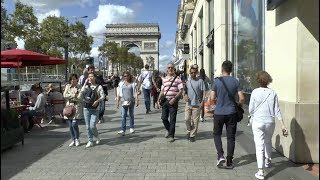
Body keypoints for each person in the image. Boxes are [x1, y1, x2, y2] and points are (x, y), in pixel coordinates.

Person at [248, 71, 288, 180]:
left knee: (259, 146)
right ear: (268, 80)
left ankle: (260, 172)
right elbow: (277, 110)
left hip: (258, 121)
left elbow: (251, 109)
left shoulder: (255, 92)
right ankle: (268, 160)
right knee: (268, 140)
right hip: (270, 122)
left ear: (258, 80)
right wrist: (283, 125)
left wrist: (252, 115)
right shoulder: (273, 93)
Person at [210, 60, 245, 168]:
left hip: (219, 112)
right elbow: (242, 98)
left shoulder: (216, 82)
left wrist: (217, 101)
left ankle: (220, 155)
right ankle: (229, 161)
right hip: (231, 113)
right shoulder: (235, 81)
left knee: (217, 134)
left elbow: (212, 98)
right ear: (231, 70)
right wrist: (239, 105)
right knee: (231, 137)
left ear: (222, 69)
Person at [157, 63, 183, 142]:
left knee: (172, 119)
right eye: (169, 67)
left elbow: (181, 90)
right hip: (165, 101)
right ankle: (169, 130)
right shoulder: (164, 79)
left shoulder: (178, 79)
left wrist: (175, 99)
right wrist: (158, 100)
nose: (170, 69)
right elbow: (162, 90)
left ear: (174, 69)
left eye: (171, 67)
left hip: (173, 101)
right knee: (164, 118)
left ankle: (171, 135)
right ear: (167, 69)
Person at [79, 72, 105, 148]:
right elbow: (81, 93)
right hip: (86, 108)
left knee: (92, 126)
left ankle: (97, 136)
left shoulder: (99, 87)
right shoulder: (86, 87)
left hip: (95, 109)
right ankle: (90, 141)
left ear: (95, 78)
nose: (90, 78)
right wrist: (85, 83)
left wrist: (97, 101)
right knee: (87, 126)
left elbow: (103, 96)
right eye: (89, 76)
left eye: (92, 76)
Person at [184, 66, 205, 142]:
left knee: (195, 122)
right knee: (186, 119)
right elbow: (185, 91)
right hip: (188, 104)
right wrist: (185, 96)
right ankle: (189, 130)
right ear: (189, 73)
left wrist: (202, 101)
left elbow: (204, 92)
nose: (193, 74)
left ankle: (192, 135)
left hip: (196, 104)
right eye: (191, 72)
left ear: (197, 73)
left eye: (194, 72)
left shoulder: (200, 81)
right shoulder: (187, 82)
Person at [116, 71, 139, 136]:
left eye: (127, 76)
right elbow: (119, 93)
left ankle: (131, 127)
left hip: (131, 101)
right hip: (123, 101)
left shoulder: (133, 83)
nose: (126, 77)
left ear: (129, 76)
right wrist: (117, 102)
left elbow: (136, 93)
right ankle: (123, 130)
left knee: (131, 115)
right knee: (123, 115)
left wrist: (137, 100)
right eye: (124, 76)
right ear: (123, 77)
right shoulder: (121, 84)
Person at [63, 74, 83, 147]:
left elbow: (80, 97)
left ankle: (77, 138)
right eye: (71, 79)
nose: (73, 80)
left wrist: (71, 95)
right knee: (70, 125)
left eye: (74, 79)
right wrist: (73, 95)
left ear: (77, 79)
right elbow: (64, 95)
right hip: (68, 107)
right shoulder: (67, 86)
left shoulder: (80, 87)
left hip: (77, 107)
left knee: (74, 124)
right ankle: (73, 139)